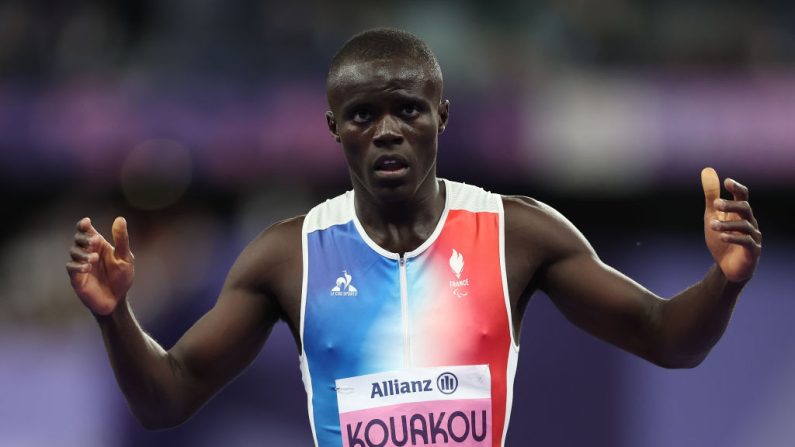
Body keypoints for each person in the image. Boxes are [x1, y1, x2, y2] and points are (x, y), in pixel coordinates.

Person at [66, 28, 762, 447]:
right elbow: (168, 398)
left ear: (442, 116)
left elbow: (670, 338)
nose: (389, 130)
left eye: (408, 109)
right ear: (335, 128)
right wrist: (113, 314)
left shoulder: (514, 233)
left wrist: (723, 278)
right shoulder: (289, 254)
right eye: (364, 114)